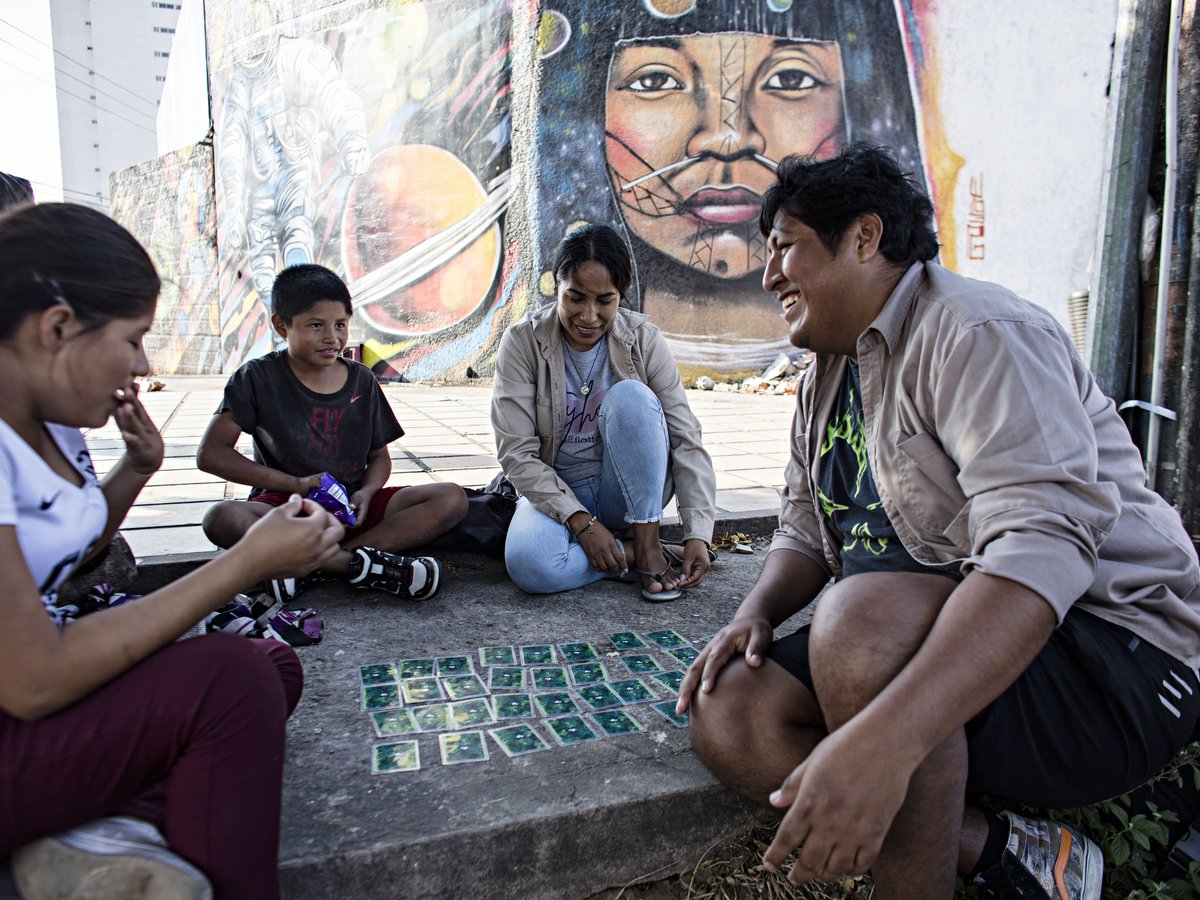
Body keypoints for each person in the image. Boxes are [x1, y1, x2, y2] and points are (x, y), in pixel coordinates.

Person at [678, 144, 1200, 898]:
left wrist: (885, 740)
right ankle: (1005, 851)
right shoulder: (827, 371)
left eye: (785, 247)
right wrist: (754, 614)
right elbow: (802, 528)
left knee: (862, 619)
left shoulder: (979, 333)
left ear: (864, 238)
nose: (768, 276)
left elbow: (1040, 551)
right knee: (729, 708)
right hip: (950, 656)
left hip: (1111, 665)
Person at [0, 202, 345, 899]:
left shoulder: (48, 418)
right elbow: (32, 679)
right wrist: (243, 564)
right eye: (132, 339)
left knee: (269, 662)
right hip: (21, 707)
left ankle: (93, 836)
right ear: (57, 329)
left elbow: (59, 553)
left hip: (34, 701)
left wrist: (135, 470)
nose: (144, 364)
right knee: (229, 682)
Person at [537, 0, 924, 373]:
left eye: (790, 79)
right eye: (656, 80)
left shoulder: (932, 347)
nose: (728, 140)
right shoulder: (537, 349)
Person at [197, 263, 467, 602]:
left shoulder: (361, 380)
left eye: (340, 325)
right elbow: (211, 454)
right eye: (315, 325)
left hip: (354, 509)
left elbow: (379, 458)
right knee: (220, 517)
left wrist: (368, 492)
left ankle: (322, 563)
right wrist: (294, 485)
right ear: (282, 326)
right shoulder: (257, 378)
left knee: (450, 498)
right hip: (287, 509)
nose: (332, 337)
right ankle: (359, 566)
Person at [492, 223, 717, 599]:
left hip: (628, 494)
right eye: (575, 298)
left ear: (620, 296)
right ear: (557, 286)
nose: (589, 315)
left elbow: (684, 436)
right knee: (530, 565)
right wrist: (581, 523)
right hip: (558, 491)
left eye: (604, 300)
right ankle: (627, 553)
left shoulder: (643, 339)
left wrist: (698, 532)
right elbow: (516, 454)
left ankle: (647, 544)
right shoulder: (521, 343)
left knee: (632, 396)